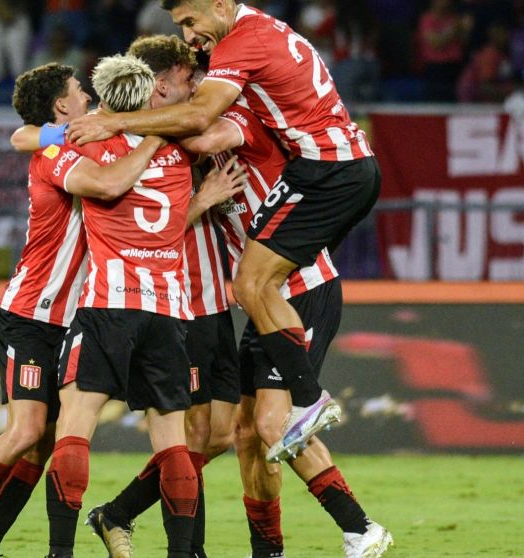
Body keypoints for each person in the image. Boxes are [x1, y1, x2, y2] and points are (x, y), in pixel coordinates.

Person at [67, 1, 387, 554]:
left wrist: (122, 126)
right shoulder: (174, 144)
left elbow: (202, 135)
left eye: (179, 82)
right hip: (266, 295)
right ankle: (135, 517)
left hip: (302, 286)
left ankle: (359, 527)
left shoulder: (231, 118)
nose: (195, 63)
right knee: (234, 433)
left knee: (269, 423)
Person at [0, 62, 170, 558]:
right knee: (27, 432)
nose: (89, 96)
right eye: (80, 91)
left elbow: (25, 133)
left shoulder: (71, 137)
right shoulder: (55, 150)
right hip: (31, 316)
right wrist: (155, 137)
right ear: (62, 106)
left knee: (46, 444)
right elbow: (99, 182)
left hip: (73, 319)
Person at [43, 54, 198, 558]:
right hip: (170, 312)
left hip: (109, 304)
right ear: (152, 95)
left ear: (105, 99)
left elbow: (31, 139)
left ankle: (59, 553)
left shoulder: (88, 142)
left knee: (74, 429)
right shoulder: (180, 152)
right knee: (173, 445)